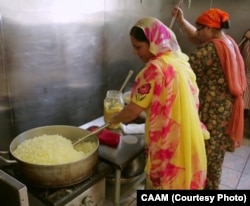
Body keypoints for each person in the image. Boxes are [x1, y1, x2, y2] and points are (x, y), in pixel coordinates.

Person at [109, 17, 209, 189]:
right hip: (187, 134)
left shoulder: (154, 70)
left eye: (138, 47)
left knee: (167, 184)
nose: (135, 52)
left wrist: (114, 118)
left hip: (168, 142)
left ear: (153, 43)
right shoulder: (178, 61)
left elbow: (132, 111)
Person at [171, 6, 247, 189]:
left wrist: (166, 53)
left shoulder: (210, 50)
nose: (198, 33)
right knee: (216, 154)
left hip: (213, 112)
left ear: (211, 29)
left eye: (200, 29)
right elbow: (197, 39)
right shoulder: (228, 42)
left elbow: (182, 71)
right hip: (226, 109)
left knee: (207, 157)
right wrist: (181, 21)